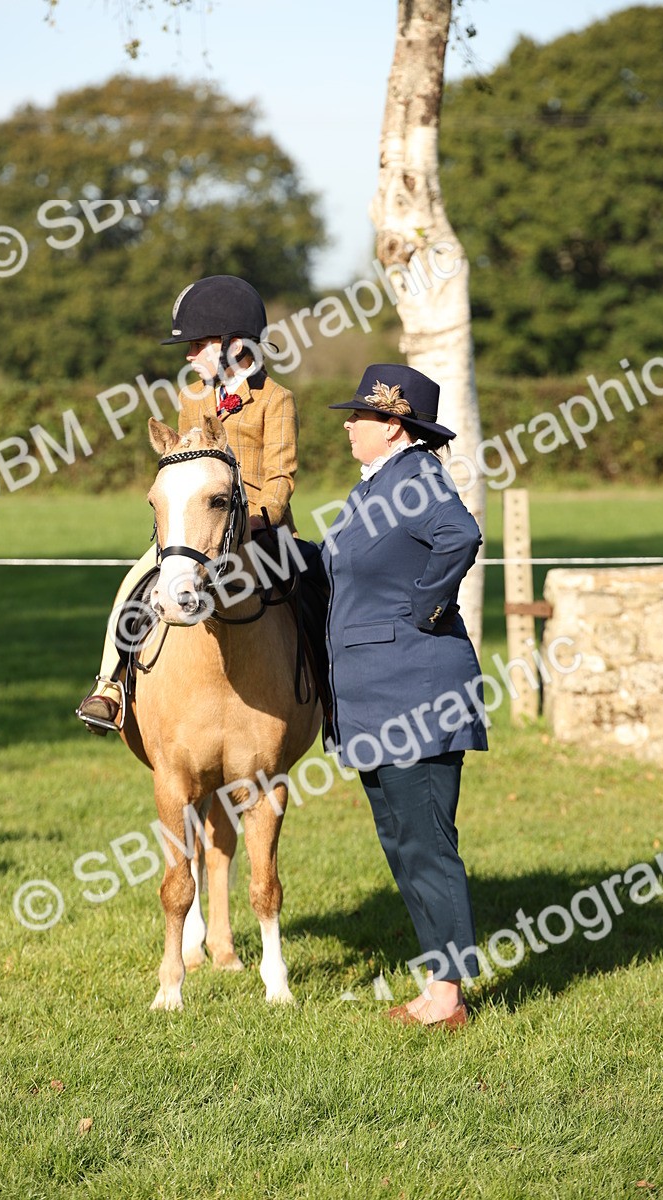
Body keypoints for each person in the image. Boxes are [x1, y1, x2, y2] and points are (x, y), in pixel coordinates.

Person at [321, 363, 488, 1028]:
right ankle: (437, 983)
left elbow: (462, 535)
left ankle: (447, 998)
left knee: (425, 842)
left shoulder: (414, 476)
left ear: (392, 426)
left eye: (359, 416)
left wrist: (424, 609)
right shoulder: (380, 484)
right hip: (377, 700)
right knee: (403, 841)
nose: (348, 424)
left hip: (416, 694)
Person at [76, 275, 299, 734]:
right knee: (136, 580)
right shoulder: (191, 397)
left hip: (260, 529)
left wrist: (259, 520)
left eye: (198, 344)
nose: (188, 354)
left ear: (236, 345)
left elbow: (280, 477)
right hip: (199, 530)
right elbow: (181, 457)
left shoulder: (276, 400)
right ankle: (109, 685)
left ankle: (332, 698)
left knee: (320, 591)